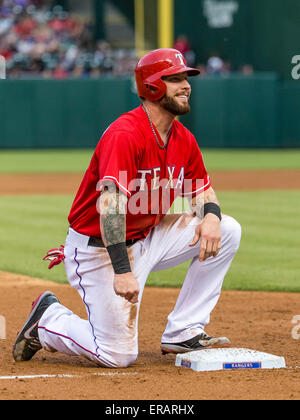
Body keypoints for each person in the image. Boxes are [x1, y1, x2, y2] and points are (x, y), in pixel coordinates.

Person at [13, 48, 242, 368]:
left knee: (228, 229)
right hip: (101, 251)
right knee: (117, 355)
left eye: (186, 78)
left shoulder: (183, 139)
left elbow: (204, 192)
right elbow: (110, 208)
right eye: (174, 79)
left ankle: (184, 331)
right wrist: (122, 269)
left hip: (148, 236)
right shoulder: (125, 134)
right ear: (151, 86)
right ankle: (49, 321)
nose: (186, 85)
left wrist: (212, 218)